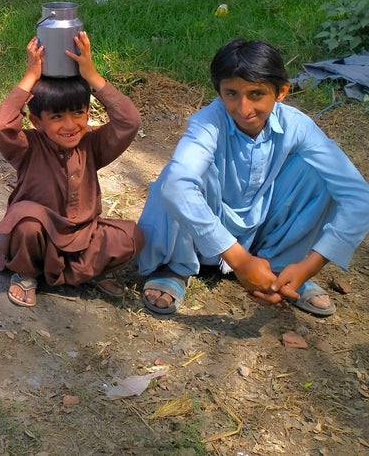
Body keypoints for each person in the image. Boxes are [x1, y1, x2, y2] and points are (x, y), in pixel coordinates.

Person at [138, 38, 369, 317]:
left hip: (259, 225)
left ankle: (283, 269)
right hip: (204, 228)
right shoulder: (206, 123)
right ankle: (174, 267)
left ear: (281, 91)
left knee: (319, 175)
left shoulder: (297, 126)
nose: (244, 108)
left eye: (256, 94)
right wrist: (240, 260)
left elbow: (358, 195)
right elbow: (177, 187)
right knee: (174, 178)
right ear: (219, 92)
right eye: (231, 93)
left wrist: (310, 265)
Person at [0, 32, 143, 307]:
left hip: (83, 238)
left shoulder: (93, 144)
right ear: (37, 121)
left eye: (78, 113)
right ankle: (27, 275)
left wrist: (92, 76)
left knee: (131, 236)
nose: (70, 125)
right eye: (57, 117)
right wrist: (30, 77)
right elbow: (1, 126)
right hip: (39, 238)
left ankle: (71, 273)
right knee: (26, 220)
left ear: (88, 113)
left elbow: (129, 121)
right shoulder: (28, 146)